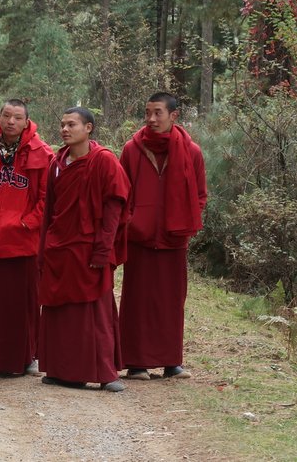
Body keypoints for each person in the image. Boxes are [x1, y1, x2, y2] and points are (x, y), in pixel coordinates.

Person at [38, 107, 130, 393]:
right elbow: (50, 211)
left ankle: (105, 373)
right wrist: (44, 247)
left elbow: (114, 209)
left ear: (88, 128)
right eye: (62, 124)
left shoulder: (104, 161)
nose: (65, 130)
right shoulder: (56, 162)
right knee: (59, 311)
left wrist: (103, 251)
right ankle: (60, 370)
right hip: (60, 246)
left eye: (72, 124)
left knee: (94, 312)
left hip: (89, 248)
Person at [119, 92, 207, 380]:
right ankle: (136, 363)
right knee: (137, 300)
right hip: (140, 237)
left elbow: (200, 195)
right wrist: (132, 222)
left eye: (158, 113)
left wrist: (184, 220)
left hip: (173, 237)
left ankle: (172, 362)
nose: (151, 119)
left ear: (173, 116)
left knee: (171, 301)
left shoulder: (191, 152)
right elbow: (121, 193)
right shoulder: (132, 150)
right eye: (148, 113)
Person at [0, 99, 53, 376]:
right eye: (6, 116)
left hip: (22, 241)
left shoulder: (41, 153)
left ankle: (25, 358)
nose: (11, 122)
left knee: (23, 305)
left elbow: (46, 198)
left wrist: (27, 223)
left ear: (27, 122)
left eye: (17, 118)